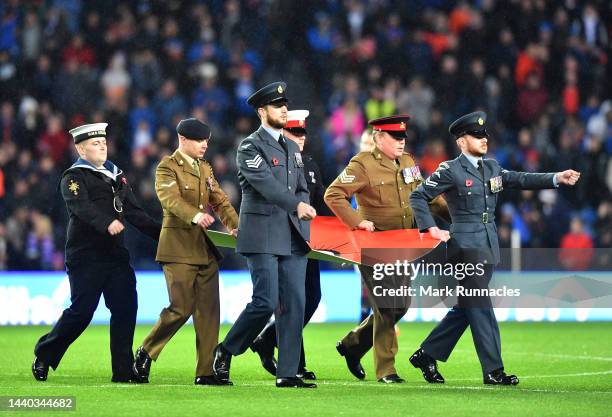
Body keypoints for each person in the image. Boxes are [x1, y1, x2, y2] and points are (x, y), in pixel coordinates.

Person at [409, 111, 580, 385]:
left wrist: (556, 178)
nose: (484, 139)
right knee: (482, 307)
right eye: (477, 136)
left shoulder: (491, 168)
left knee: (468, 307)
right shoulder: (449, 169)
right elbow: (418, 195)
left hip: (488, 246)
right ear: (461, 142)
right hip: (464, 248)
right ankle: (493, 370)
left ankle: (427, 354)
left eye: (484, 134)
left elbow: (521, 179)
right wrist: (430, 228)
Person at [324, 115, 450, 383]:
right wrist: (358, 222)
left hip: (403, 245)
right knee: (386, 303)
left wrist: (455, 217)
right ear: (379, 138)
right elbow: (333, 194)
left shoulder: (407, 162)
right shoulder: (362, 164)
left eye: (403, 137)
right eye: (395, 137)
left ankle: (352, 345)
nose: (401, 142)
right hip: (373, 245)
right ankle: (386, 370)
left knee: (400, 305)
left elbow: (424, 195)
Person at [32, 123, 161, 382]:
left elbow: (135, 213)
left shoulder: (117, 175)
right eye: (95, 143)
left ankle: (123, 372)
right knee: (82, 312)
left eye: (103, 141)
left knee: (126, 309)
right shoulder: (73, 176)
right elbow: (80, 207)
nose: (102, 145)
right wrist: (106, 222)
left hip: (116, 255)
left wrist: (165, 235)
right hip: (85, 255)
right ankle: (45, 354)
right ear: (80, 148)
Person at [212, 82, 318, 388]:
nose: (284, 109)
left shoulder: (291, 148)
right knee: (265, 301)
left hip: (292, 235)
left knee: (294, 305)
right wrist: (297, 205)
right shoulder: (250, 147)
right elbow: (266, 185)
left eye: (285, 104)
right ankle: (227, 349)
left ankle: (287, 373)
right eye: (277, 105)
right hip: (261, 233)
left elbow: (302, 188)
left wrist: (303, 206)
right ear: (262, 112)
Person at [132, 118, 238, 385]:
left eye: (206, 141)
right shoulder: (167, 168)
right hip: (177, 248)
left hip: (203, 249)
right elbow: (170, 199)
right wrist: (195, 216)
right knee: (181, 308)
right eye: (199, 141)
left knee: (210, 311)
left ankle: (206, 372)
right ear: (183, 140)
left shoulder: (205, 169)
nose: (204, 146)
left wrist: (236, 227)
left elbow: (221, 201)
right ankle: (146, 351)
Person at [249, 109, 331, 380]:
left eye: (303, 133)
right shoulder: (270, 160)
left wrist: (342, 230)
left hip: (307, 240)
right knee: (292, 301)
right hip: (281, 239)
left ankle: (268, 339)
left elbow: (322, 204)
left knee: (309, 298)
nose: (301, 138)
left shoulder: (309, 165)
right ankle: (293, 365)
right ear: (282, 133)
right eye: (295, 132)